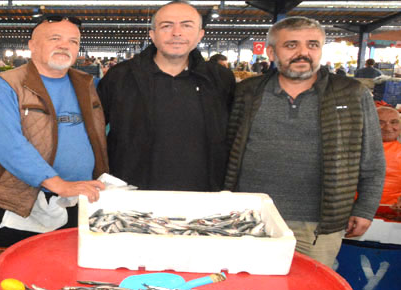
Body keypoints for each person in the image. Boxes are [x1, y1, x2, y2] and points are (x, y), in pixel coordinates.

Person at [225, 17, 384, 267]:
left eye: (312, 45)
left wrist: (365, 208)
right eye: (291, 45)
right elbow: (226, 149)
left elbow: (373, 159)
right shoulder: (248, 92)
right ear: (271, 52)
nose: (303, 53)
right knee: (247, 288)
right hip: (250, 216)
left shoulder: (351, 93)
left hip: (318, 223)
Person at [0, 15, 108, 247]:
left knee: (66, 270)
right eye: (54, 38)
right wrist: (58, 184)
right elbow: (8, 144)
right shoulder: (6, 85)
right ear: (32, 45)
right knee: (17, 273)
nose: (64, 45)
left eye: (73, 41)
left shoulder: (86, 84)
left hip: (78, 198)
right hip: (21, 203)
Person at [98, 0, 235, 191]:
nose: (176, 33)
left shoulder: (220, 79)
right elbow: (93, 131)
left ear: (200, 35)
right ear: (152, 35)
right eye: (166, 26)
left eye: (187, 25)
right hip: (134, 193)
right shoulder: (120, 77)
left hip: (203, 194)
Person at [379, 107, 401, 214]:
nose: (388, 128)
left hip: (393, 214)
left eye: (394, 122)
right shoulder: (351, 152)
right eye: (380, 122)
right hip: (352, 213)